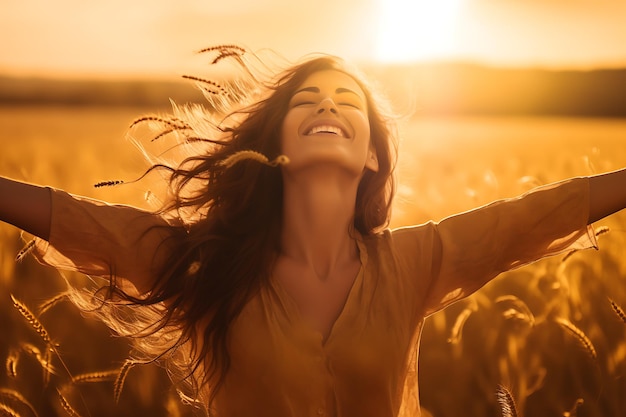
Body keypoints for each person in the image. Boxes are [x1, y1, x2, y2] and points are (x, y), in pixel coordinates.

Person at [1, 45, 625, 417]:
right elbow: (70, 215)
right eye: (308, 99)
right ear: (273, 144)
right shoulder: (204, 263)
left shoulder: (415, 261)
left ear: (374, 157)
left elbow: (535, 215)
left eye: (349, 102)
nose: (329, 105)